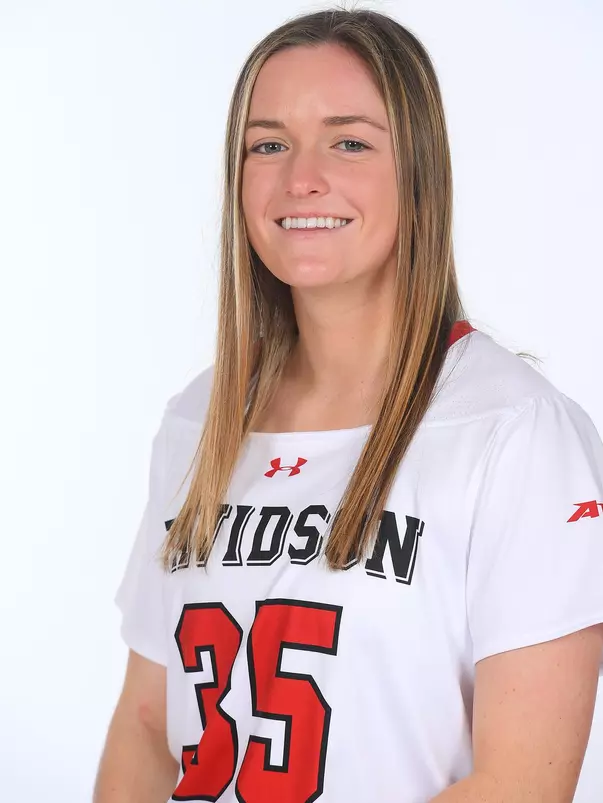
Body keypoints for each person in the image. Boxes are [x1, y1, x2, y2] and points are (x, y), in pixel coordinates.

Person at [94, 8, 603, 803]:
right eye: (267, 144)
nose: (301, 177)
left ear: (419, 171)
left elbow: (518, 786)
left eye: (349, 141)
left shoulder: (514, 432)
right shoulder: (196, 421)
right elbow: (148, 725)